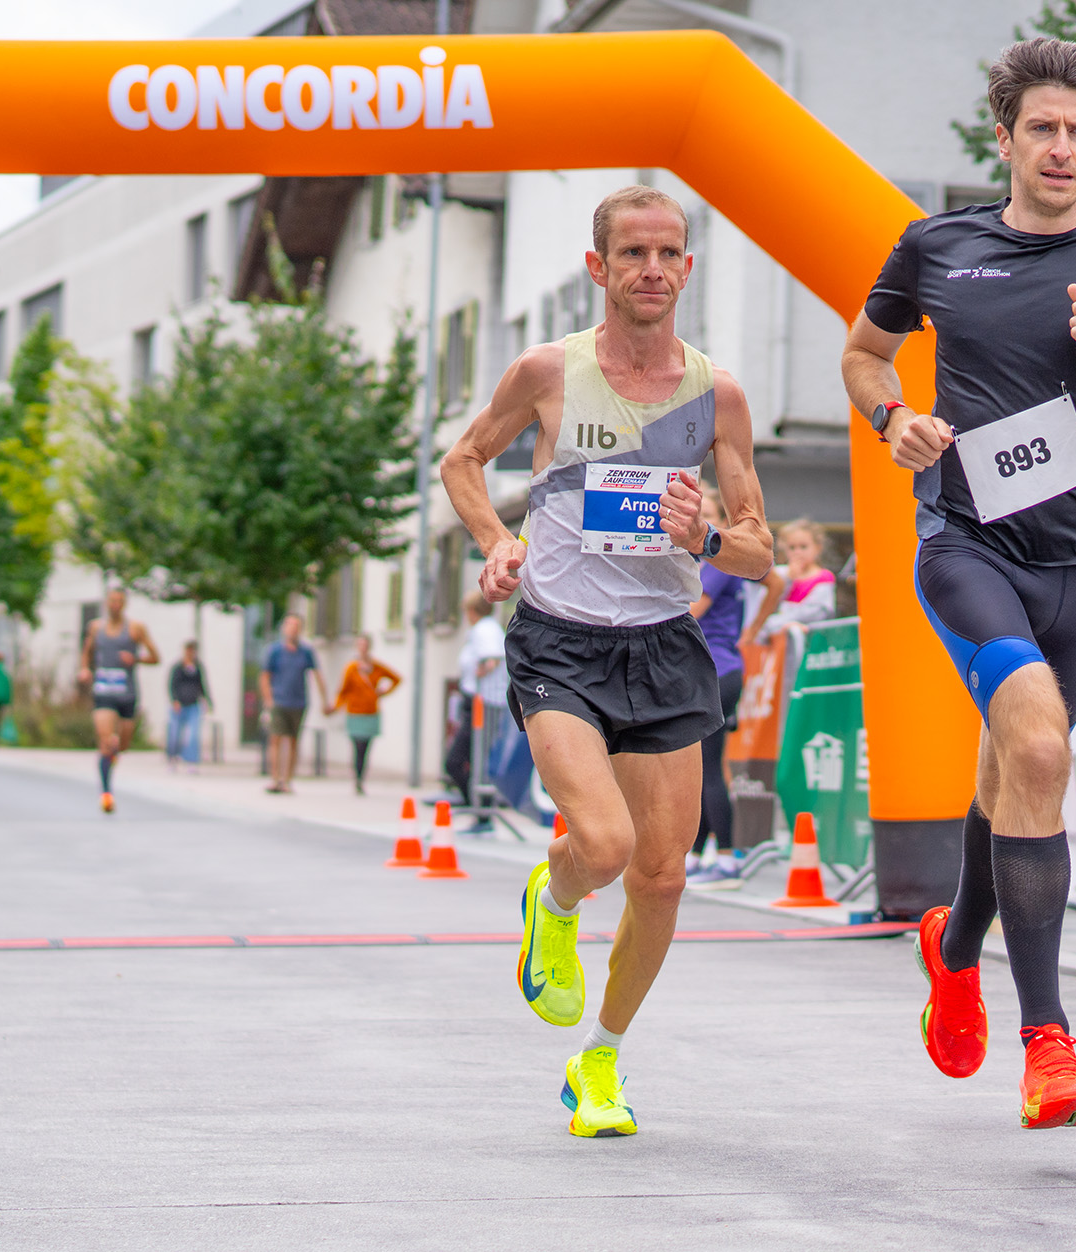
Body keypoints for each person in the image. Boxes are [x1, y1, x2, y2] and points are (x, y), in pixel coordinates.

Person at [842, 36, 1076, 1128]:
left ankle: (954, 945)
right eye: (1041, 128)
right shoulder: (936, 246)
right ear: (1004, 138)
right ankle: (1049, 1046)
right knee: (1041, 745)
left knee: (1018, 767)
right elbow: (865, 355)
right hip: (969, 548)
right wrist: (894, 419)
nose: (1060, 148)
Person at [438, 184, 774, 1138]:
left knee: (663, 878)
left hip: (666, 647)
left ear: (688, 268)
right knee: (610, 844)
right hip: (560, 641)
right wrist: (495, 543)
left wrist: (707, 534)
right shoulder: (548, 372)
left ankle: (600, 1061)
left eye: (669, 254)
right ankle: (558, 891)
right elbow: (465, 462)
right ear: (599, 267)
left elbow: (763, 552)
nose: (653, 271)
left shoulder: (719, 396)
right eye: (633, 254)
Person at [687, 488, 747, 889]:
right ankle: (697, 854)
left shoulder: (718, 562)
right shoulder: (698, 564)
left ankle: (726, 858)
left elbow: (687, 612)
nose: (698, 519)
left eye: (707, 513)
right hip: (703, 671)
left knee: (709, 768)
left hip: (717, 671)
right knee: (697, 768)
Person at [76, 588, 160, 813]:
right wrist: (84, 669)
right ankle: (106, 793)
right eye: (112, 600)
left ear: (125, 604)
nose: (115, 605)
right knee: (106, 742)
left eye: (119, 601)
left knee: (121, 745)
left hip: (127, 693)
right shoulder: (96, 628)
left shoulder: (135, 629)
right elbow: (86, 652)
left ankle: (111, 760)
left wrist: (136, 659)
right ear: (106, 603)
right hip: (103, 691)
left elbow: (156, 657)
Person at [446, 592, 508, 830]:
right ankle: (478, 810)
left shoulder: (484, 629)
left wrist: (478, 675)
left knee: (460, 761)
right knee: (471, 759)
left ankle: (480, 811)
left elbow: (491, 660)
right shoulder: (485, 629)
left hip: (482, 702)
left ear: (472, 611)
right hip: (478, 701)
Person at [259, 613, 328, 795]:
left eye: (296, 626)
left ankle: (287, 780)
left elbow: (317, 675)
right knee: (276, 738)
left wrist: (325, 700)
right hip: (279, 700)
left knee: (293, 741)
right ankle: (275, 779)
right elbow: (265, 676)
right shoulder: (275, 651)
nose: (292, 630)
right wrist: (268, 699)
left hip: (298, 701)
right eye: (289, 626)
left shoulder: (306, 652)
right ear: (284, 628)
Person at [745, 519, 836, 642]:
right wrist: (788, 579)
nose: (797, 552)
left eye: (803, 547)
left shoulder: (824, 577)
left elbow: (819, 613)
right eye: (792, 548)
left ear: (817, 548)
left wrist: (784, 620)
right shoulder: (779, 574)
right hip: (778, 643)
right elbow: (767, 605)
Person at [335, 633, 401, 796]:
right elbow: (343, 690)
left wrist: (383, 692)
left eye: (365, 645)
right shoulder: (352, 668)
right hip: (355, 712)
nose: (362, 648)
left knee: (365, 748)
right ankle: (357, 778)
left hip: (371, 711)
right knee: (357, 746)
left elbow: (396, 679)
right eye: (360, 645)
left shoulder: (377, 667)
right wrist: (336, 707)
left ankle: (361, 777)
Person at [166, 641, 212, 773]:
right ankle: (173, 758)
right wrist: (174, 700)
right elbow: (172, 684)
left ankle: (192, 761)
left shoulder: (198, 667)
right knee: (175, 734)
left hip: (193, 704)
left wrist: (207, 700)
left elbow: (202, 684)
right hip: (179, 704)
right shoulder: (178, 667)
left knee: (193, 735)